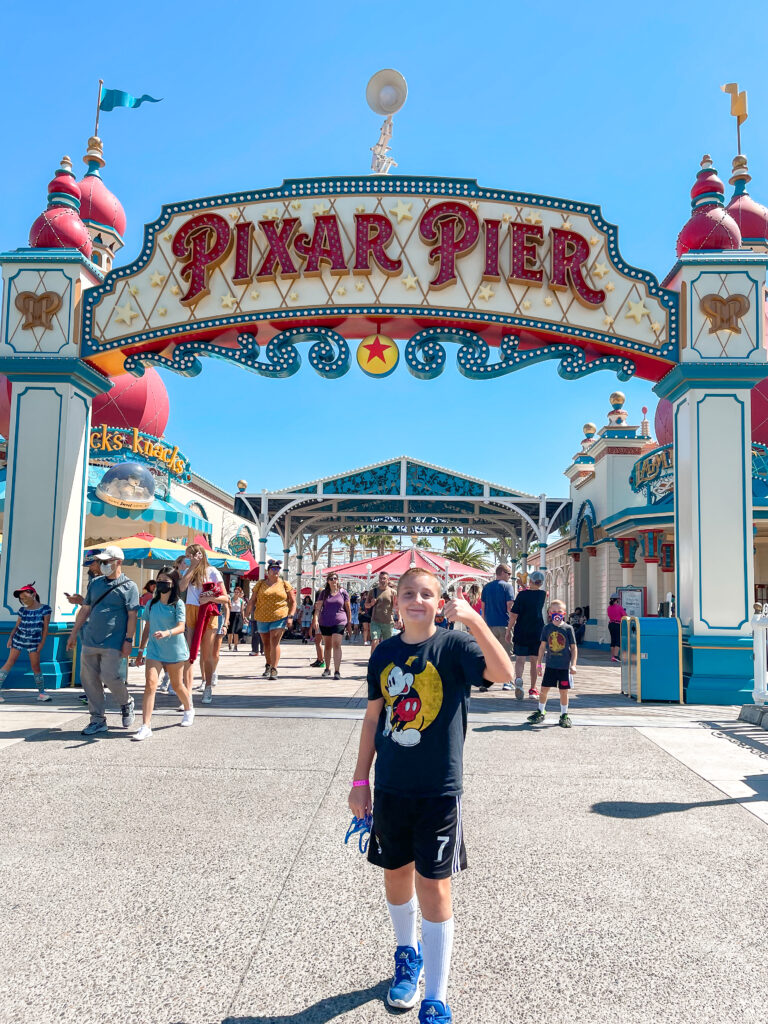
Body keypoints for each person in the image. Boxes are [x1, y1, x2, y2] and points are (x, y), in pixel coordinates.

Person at [349, 569, 514, 1024]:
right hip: (391, 787)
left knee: (434, 886)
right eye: (409, 594)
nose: (417, 600)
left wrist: (476, 622)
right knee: (395, 874)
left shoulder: (455, 647)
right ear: (395, 602)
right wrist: (360, 780)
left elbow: (503, 673)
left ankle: (436, 996)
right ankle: (407, 955)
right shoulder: (383, 652)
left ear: (440, 603)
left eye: (427, 594)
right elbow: (372, 720)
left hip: (440, 789)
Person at [66, 546, 139, 736]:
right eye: (102, 561)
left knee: (110, 677)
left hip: (113, 642)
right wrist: (73, 634)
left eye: (107, 561)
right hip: (90, 639)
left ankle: (126, 702)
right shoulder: (95, 583)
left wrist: (129, 640)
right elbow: (85, 609)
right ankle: (97, 719)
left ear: (118, 562)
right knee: (89, 680)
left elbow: (133, 616)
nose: (103, 565)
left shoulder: (130, 586)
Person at [134, 567, 193, 740]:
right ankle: (145, 726)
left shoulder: (178, 604)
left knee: (177, 685)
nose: (160, 583)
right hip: (154, 651)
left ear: (173, 583)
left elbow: (182, 627)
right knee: (150, 684)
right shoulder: (152, 604)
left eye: (165, 580)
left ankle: (189, 709)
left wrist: (166, 633)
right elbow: (147, 627)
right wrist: (140, 651)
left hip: (175, 650)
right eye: (159, 579)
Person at [178, 544, 230, 706]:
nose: (189, 558)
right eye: (187, 556)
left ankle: (207, 686)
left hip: (208, 612)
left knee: (206, 654)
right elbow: (181, 587)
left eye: (191, 555)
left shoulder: (213, 571)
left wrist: (210, 599)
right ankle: (187, 694)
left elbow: (225, 598)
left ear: (200, 554)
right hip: (191, 610)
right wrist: (192, 567)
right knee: (189, 654)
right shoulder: (189, 571)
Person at [527, 600, 577, 729]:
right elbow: (542, 647)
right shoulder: (547, 628)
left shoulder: (568, 628)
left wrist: (573, 664)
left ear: (564, 613)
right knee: (544, 690)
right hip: (550, 665)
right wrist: (539, 664)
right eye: (554, 611)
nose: (557, 614)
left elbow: (574, 647)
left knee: (563, 691)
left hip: (564, 667)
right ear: (550, 613)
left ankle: (564, 714)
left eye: (559, 611)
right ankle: (541, 711)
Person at [244, 559, 296, 680]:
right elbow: (252, 600)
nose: (275, 571)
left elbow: (293, 602)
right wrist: (246, 613)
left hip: (279, 616)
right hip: (262, 617)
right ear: (268, 572)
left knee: (274, 641)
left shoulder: (284, 584)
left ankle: (274, 668)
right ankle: (268, 664)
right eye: (273, 569)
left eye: (277, 569)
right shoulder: (260, 584)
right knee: (266, 643)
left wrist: (291, 616)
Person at [0, 583, 52, 702]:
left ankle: (41, 693)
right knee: (9, 662)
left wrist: (42, 643)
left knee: (35, 666)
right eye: (21, 599)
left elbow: (45, 628)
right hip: (19, 638)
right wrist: (10, 638)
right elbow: (17, 626)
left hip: (34, 641)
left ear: (33, 595)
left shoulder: (45, 609)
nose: (23, 600)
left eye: (25, 597)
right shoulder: (22, 610)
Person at [507, 570, 546, 700]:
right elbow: (531, 593)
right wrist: (524, 586)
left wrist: (508, 630)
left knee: (520, 659)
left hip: (521, 630)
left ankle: (518, 679)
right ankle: (533, 689)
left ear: (530, 581)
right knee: (534, 661)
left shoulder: (522, 596)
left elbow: (513, 615)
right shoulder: (542, 595)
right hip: (537, 631)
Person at [480, 564, 517, 696]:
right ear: (502, 573)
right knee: (506, 653)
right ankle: (507, 682)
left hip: (489, 625)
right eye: (508, 574)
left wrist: (484, 623)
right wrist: (514, 621)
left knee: (489, 654)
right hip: (504, 624)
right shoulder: (507, 587)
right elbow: (509, 606)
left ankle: (485, 682)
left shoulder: (487, 587)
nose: (509, 577)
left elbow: (483, 607)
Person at [313, 573, 351, 680]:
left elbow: (348, 609)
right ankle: (327, 668)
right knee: (328, 645)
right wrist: (315, 619)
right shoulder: (324, 593)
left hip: (340, 621)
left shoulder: (343, 592)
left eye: (335, 578)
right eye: (331, 579)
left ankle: (337, 670)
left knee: (336, 644)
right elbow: (318, 608)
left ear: (338, 580)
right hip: (325, 622)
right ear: (328, 581)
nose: (334, 580)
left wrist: (349, 623)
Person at [366, 571, 397, 652]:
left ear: (388, 580)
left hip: (388, 622)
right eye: (380, 578)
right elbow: (366, 605)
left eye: (384, 578)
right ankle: (373, 661)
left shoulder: (393, 592)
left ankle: (386, 662)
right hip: (375, 621)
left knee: (388, 644)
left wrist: (400, 619)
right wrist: (371, 604)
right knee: (374, 641)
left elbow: (397, 607)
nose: (382, 580)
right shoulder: (373, 591)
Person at [309, 588, 326, 668]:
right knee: (321, 642)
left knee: (318, 642)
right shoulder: (327, 603)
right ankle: (319, 659)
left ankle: (321, 660)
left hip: (319, 623)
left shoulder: (317, 603)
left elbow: (315, 615)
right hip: (325, 623)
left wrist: (311, 627)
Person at [607, 595, 627, 662]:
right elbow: (625, 615)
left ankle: (613, 656)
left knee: (613, 640)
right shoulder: (619, 607)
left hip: (610, 624)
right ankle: (616, 656)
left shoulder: (609, 607)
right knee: (618, 640)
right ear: (617, 600)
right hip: (617, 624)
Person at [228, 586, 245, 650]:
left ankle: (235, 646)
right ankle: (229, 644)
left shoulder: (241, 601)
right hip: (231, 615)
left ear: (239, 593)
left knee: (236, 632)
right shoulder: (230, 599)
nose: (236, 593)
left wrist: (243, 618)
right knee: (230, 631)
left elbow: (242, 610)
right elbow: (228, 609)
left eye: (238, 592)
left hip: (238, 616)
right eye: (235, 592)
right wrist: (227, 619)